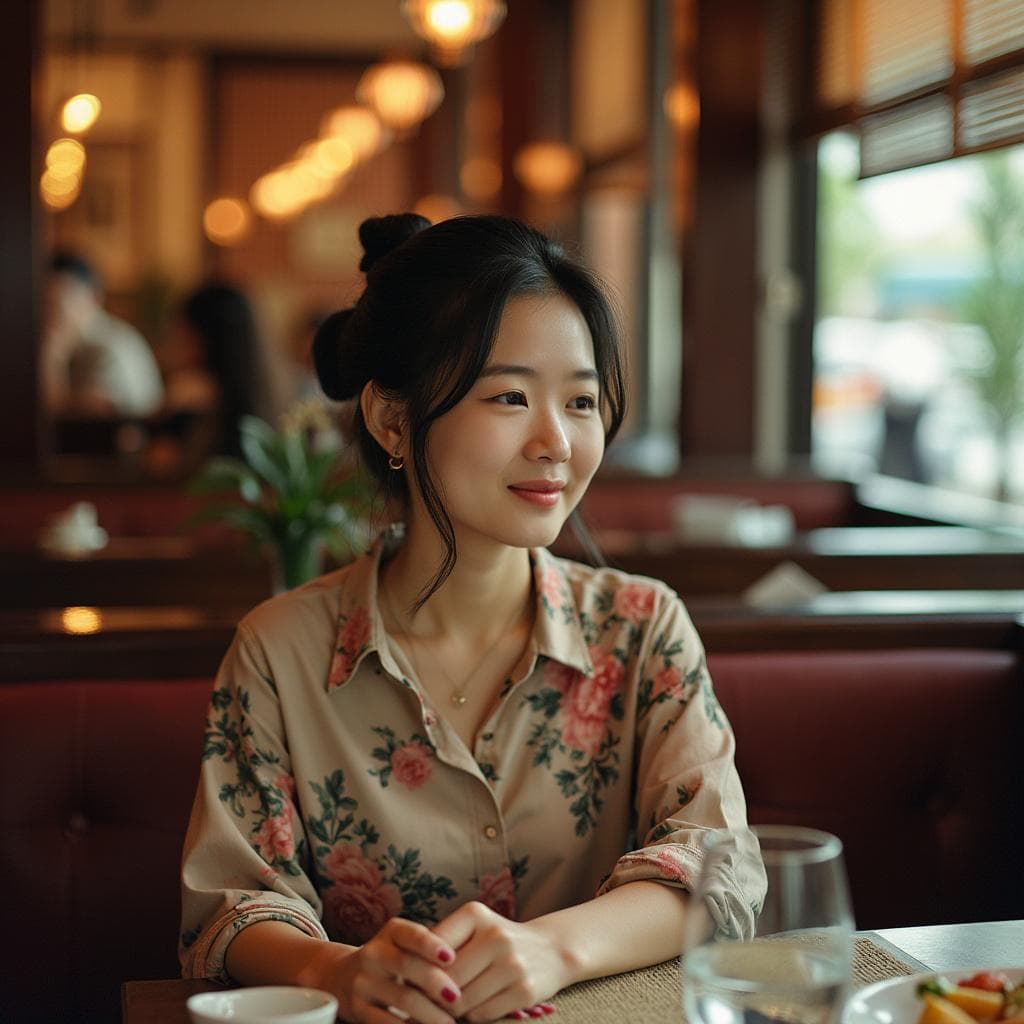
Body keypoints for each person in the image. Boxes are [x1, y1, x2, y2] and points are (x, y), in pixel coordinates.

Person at [179, 214, 765, 1024]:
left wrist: (554, 950)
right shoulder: (281, 650)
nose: (557, 441)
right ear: (392, 420)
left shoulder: (640, 627)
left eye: (583, 400)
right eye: (511, 396)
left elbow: (718, 864)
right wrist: (341, 972)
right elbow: (235, 903)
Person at [40, 251, 164, 417]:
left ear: (93, 298)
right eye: (44, 304)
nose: (49, 315)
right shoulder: (80, 343)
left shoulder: (107, 346)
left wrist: (53, 355)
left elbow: (82, 418)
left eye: (56, 303)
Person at [160, 282, 273, 459]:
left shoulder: (196, 401)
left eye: (182, 335)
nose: (173, 346)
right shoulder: (273, 390)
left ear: (204, 339)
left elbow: (165, 462)